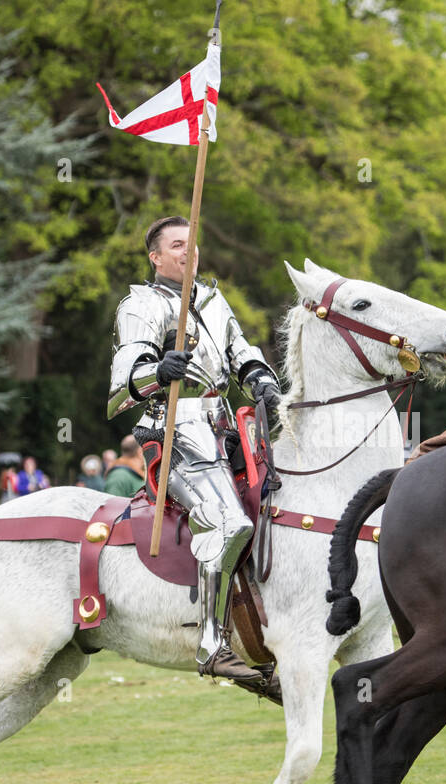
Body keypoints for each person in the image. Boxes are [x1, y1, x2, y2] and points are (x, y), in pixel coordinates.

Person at [106, 214, 282, 692]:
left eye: (194, 244)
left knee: (284, 512)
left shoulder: (212, 298)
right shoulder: (140, 304)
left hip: (228, 426)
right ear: (156, 257)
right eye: (178, 245)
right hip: (173, 430)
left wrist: (261, 378)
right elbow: (122, 386)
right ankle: (212, 643)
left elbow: (240, 350)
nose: (190, 252)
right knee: (229, 523)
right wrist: (159, 370)